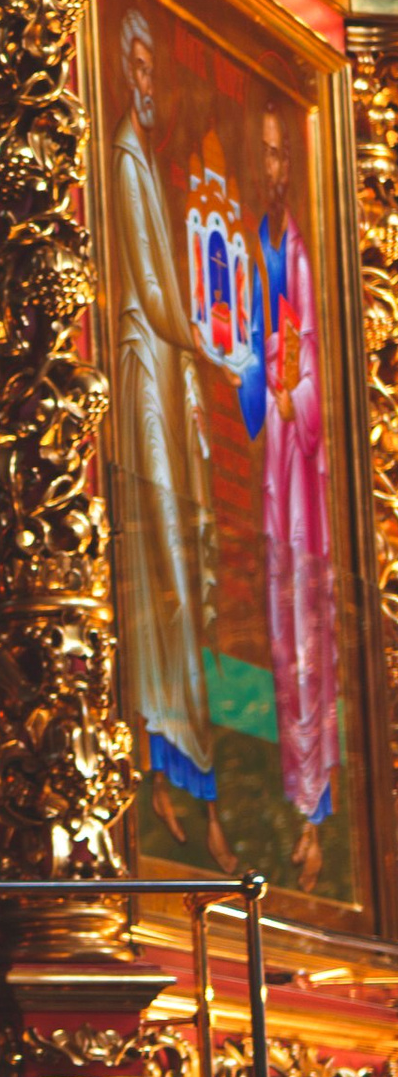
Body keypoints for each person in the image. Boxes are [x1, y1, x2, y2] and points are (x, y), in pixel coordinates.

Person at [107, 5, 232, 868]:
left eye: (157, 69)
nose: (148, 84)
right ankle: (162, 764)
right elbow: (150, 292)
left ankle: (191, 775)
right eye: (138, 67)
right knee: (163, 580)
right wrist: (213, 350)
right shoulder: (120, 157)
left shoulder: (147, 158)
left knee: (187, 569)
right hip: (145, 379)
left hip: (169, 369)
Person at [249, 103, 339, 887]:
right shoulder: (261, 243)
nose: (274, 168)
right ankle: (295, 800)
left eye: (283, 156)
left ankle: (315, 809)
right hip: (275, 467)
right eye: (265, 154)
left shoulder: (302, 254)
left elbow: (314, 371)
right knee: (281, 629)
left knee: (309, 633)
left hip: (302, 480)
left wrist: (293, 397)